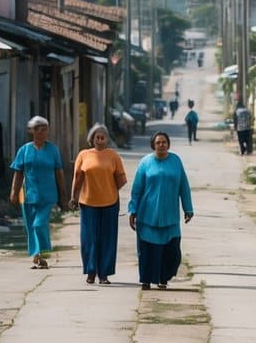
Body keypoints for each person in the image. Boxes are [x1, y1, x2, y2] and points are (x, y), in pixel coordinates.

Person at [128, 132, 194, 290]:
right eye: (158, 142)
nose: (161, 145)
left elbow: (183, 186)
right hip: (147, 215)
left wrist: (188, 208)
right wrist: (133, 210)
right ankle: (146, 280)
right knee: (147, 251)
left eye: (164, 142)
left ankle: (163, 278)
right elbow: (136, 189)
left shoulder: (176, 161)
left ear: (168, 145)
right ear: (153, 145)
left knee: (172, 253)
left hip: (170, 215)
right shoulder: (145, 163)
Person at [69, 123, 127, 285]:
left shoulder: (113, 156)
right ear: (92, 139)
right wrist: (73, 197)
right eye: (97, 137)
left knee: (107, 239)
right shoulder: (84, 155)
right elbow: (77, 178)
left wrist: (109, 189)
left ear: (107, 139)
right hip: (88, 203)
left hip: (110, 202)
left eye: (103, 137)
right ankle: (91, 271)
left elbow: (121, 178)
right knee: (89, 239)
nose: (100, 140)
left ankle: (104, 274)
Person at [9, 115, 66, 270]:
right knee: (30, 226)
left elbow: (59, 172)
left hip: (47, 195)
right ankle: (37, 255)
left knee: (39, 224)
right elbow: (18, 172)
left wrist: (63, 195)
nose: (42, 133)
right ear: (32, 131)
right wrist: (14, 191)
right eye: (38, 129)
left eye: (44, 129)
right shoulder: (24, 150)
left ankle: (44, 252)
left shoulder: (52, 150)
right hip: (28, 195)